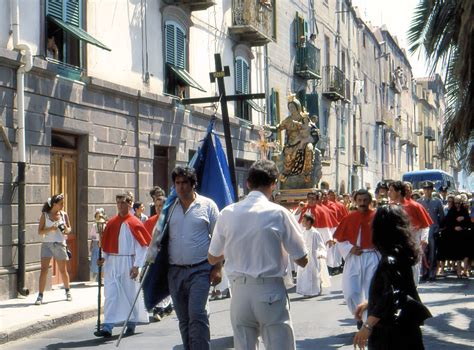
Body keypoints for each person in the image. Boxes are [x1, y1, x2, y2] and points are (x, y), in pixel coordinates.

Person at [208, 160, 308, 350]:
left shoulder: (227, 213)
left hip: (239, 292)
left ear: (248, 184)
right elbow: (302, 259)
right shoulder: (279, 213)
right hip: (269, 289)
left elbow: (212, 257)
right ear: (273, 184)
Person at [353, 205, 426, 350]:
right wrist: (369, 302)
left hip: (391, 332)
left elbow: (392, 294)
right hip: (405, 327)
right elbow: (397, 286)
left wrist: (367, 326)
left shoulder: (390, 259)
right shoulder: (401, 254)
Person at [167, 166, 221, 350]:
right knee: (184, 319)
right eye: (177, 183)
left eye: (184, 183)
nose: (180, 187)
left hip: (200, 269)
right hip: (175, 271)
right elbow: (160, 237)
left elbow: (219, 238)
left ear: (193, 184)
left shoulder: (208, 206)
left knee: (197, 314)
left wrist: (218, 267)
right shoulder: (169, 208)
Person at [94, 192, 151, 338]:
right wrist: (102, 259)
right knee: (111, 294)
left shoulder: (135, 223)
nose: (120, 205)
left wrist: (137, 265)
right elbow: (106, 245)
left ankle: (131, 322)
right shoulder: (111, 223)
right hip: (112, 263)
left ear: (130, 204)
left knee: (129, 293)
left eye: (123, 202)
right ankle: (108, 325)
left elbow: (143, 247)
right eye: (118, 202)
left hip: (128, 262)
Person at [333, 189, 379, 326]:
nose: (362, 203)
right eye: (359, 200)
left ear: (370, 201)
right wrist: (350, 249)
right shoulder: (349, 218)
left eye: (365, 200)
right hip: (354, 258)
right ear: (355, 201)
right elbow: (340, 240)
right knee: (351, 292)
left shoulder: (378, 217)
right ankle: (358, 313)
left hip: (372, 257)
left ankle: (367, 320)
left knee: (371, 290)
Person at [388, 181, 432, 285]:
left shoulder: (415, 206)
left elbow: (425, 225)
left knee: (412, 271)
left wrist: (423, 239)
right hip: (395, 245)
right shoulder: (390, 207)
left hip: (412, 243)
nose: (388, 193)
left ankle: (412, 293)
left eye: (391, 190)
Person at [35, 193, 72, 305]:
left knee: (62, 270)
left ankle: (67, 291)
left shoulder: (64, 215)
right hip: (47, 244)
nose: (63, 205)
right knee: (44, 270)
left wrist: (66, 229)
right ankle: (40, 296)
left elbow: (69, 230)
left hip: (60, 244)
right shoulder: (45, 215)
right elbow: (40, 231)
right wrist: (51, 228)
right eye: (61, 204)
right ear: (54, 204)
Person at [143, 188, 173, 322]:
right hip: (153, 257)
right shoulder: (149, 222)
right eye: (157, 206)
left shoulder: (171, 220)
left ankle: (160, 308)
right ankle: (160, 307)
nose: (159, 208)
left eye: (161, 206)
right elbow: (145, 241)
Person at [296, 213, 330, 297]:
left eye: (304, 221)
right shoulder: (303, 232)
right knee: (304, 274)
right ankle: (306, 291)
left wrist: (321, 254)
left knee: (313, 274)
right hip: (305, 255)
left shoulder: (315, 233)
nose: (302, 222)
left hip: (313, 256)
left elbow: (321, 245)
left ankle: (315, 290)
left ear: (309, 222)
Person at [417, 181, 445, 281]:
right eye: (425, 189)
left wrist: (439, 228)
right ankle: (424, 272)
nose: (427, 191)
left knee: (433, 253)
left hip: (433, 230)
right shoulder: (419, 202)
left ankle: (432, 273)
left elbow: (442, 217)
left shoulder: (437, 201)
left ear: (432, 190)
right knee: (424, 252)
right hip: (423, 230)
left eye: (429, 188)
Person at [444, 195, 471, 278]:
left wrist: (464, 220)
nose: (457, 205)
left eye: (459, 203)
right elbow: (447, 223)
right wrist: (454, 227)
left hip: (464, 234)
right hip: (455, 235)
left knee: (466, 254)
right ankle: (459, 271)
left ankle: (465, 271)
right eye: (455, 203)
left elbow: (469, 223)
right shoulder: (451, 211)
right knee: (458, 254)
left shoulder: (465, 211)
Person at [89, 208, 106, 281]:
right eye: (97, 216)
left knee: (103, 259)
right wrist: (91, 245)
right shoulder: (94, 225)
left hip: (104, 243)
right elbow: (93, 237)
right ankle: (98, 277)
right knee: (96, 259)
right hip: (96, 244)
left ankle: (102, 277)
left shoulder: (105, 225)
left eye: (100, 216)